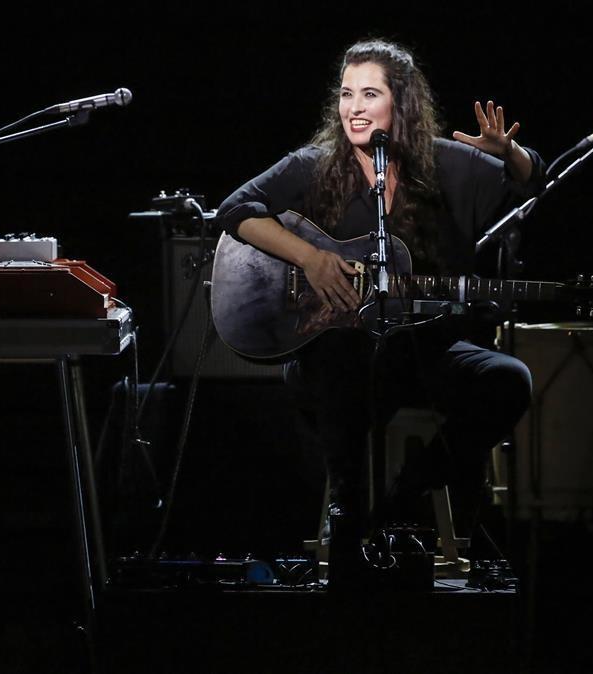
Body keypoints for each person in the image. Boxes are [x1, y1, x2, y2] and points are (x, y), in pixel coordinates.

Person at [215, 38, 545, 586]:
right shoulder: (316, 166)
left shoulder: (441, 164)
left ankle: (404, 494)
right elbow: (235, 210)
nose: (355, 107)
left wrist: (507, 154)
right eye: (347, 94)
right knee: (344, 351)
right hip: (336, 365)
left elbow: (536, 181)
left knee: (509, 379)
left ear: (402, 105)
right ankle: (348, 512)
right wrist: (313, 259)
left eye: (371, 93)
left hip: (420, 351)